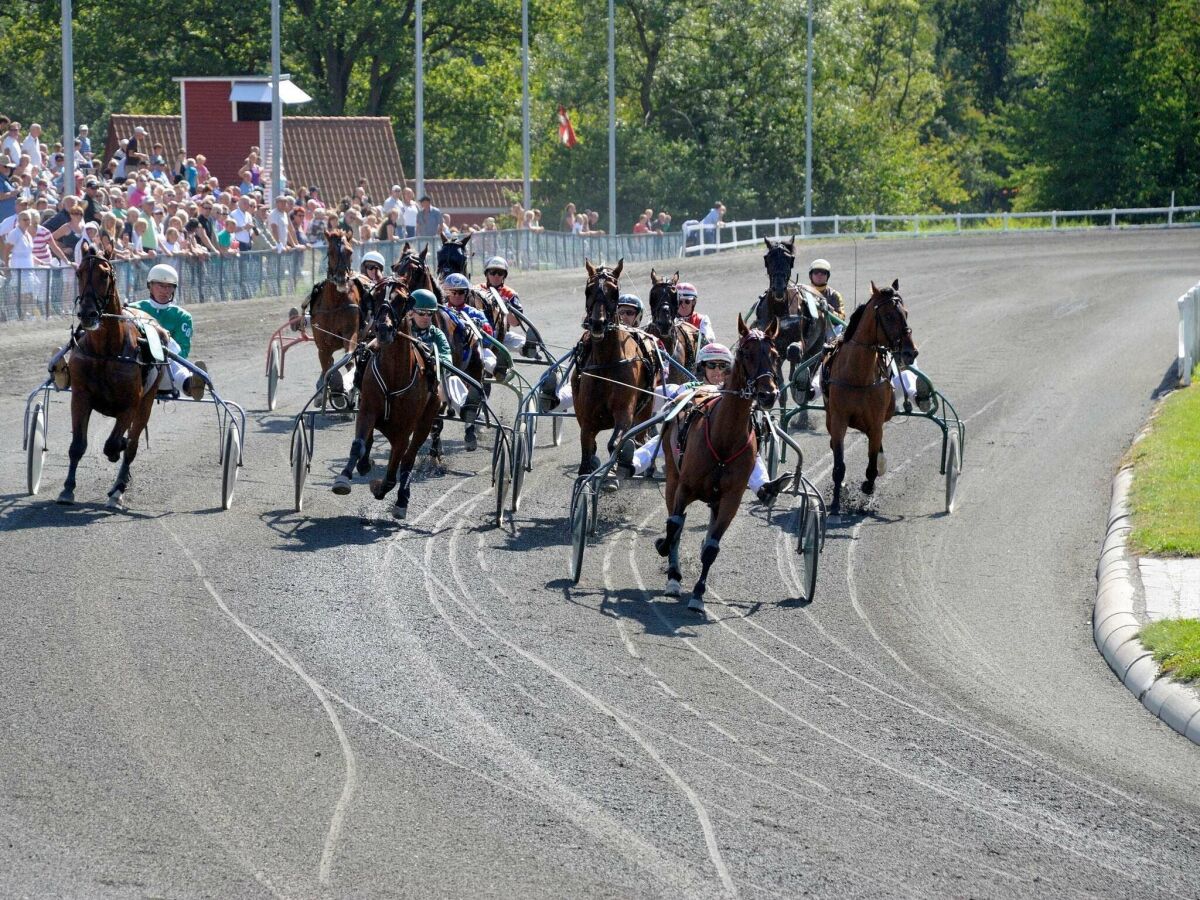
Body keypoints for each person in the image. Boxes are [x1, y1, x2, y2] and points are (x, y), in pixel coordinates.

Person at [627, 342, 792, 504]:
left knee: (747, 449)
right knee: (662, 438)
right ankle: (629, 464)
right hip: (688, 444)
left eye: (723, 366)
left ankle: (763, 488)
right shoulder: (687, 388)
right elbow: (640, 399)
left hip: (727, 447)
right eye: (712, 365)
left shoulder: (738, 394)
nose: (718, 371)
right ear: (702, 367)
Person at [129, 263, 208, 401]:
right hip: (135, 365)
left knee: (168, 345)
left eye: (169, 286)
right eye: (160, 285)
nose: (165, 290)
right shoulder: (132, 310)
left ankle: (190, 385)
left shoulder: (183, 317)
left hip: (165, 371)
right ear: (150, 286)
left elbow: (182, 352)